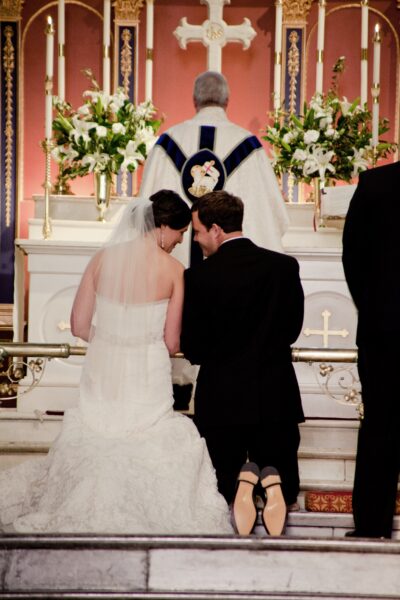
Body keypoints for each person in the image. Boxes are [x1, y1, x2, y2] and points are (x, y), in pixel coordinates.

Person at [0, 190, 233, 535]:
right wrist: (141, 341)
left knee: (98, 432)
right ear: (164, 226)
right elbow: (171, 342)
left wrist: (113, 340)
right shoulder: (173, 270)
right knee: (147, 435)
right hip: (147, 371)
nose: (179, 242)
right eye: (179, 234)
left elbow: (79, 326)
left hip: (104, 367)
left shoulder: (101, 259)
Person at [180, 190, 305, 534]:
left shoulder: (198, 278)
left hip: (223, 399)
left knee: (222, 493)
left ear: (216, 229)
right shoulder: (283, 267)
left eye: (199, 231)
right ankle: (272, 487)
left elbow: (192, 346)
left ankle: (241, 491)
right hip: (274, 393)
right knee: (286, 494)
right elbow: (292, 330)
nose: (197, 238)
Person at [140, 70, 289, 267]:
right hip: (237, 271)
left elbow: (143, 213)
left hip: (171, 267)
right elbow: (275, 215)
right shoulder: (249, 145)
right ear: (227, 101)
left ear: (195, 100)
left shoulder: (168, 142)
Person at [342, 161, 400, 539]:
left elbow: (352, 255)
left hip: (384, 330)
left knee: (380, 425)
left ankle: (372, 525)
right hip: (383, 326)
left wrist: (373, 305)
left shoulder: (375, 183)